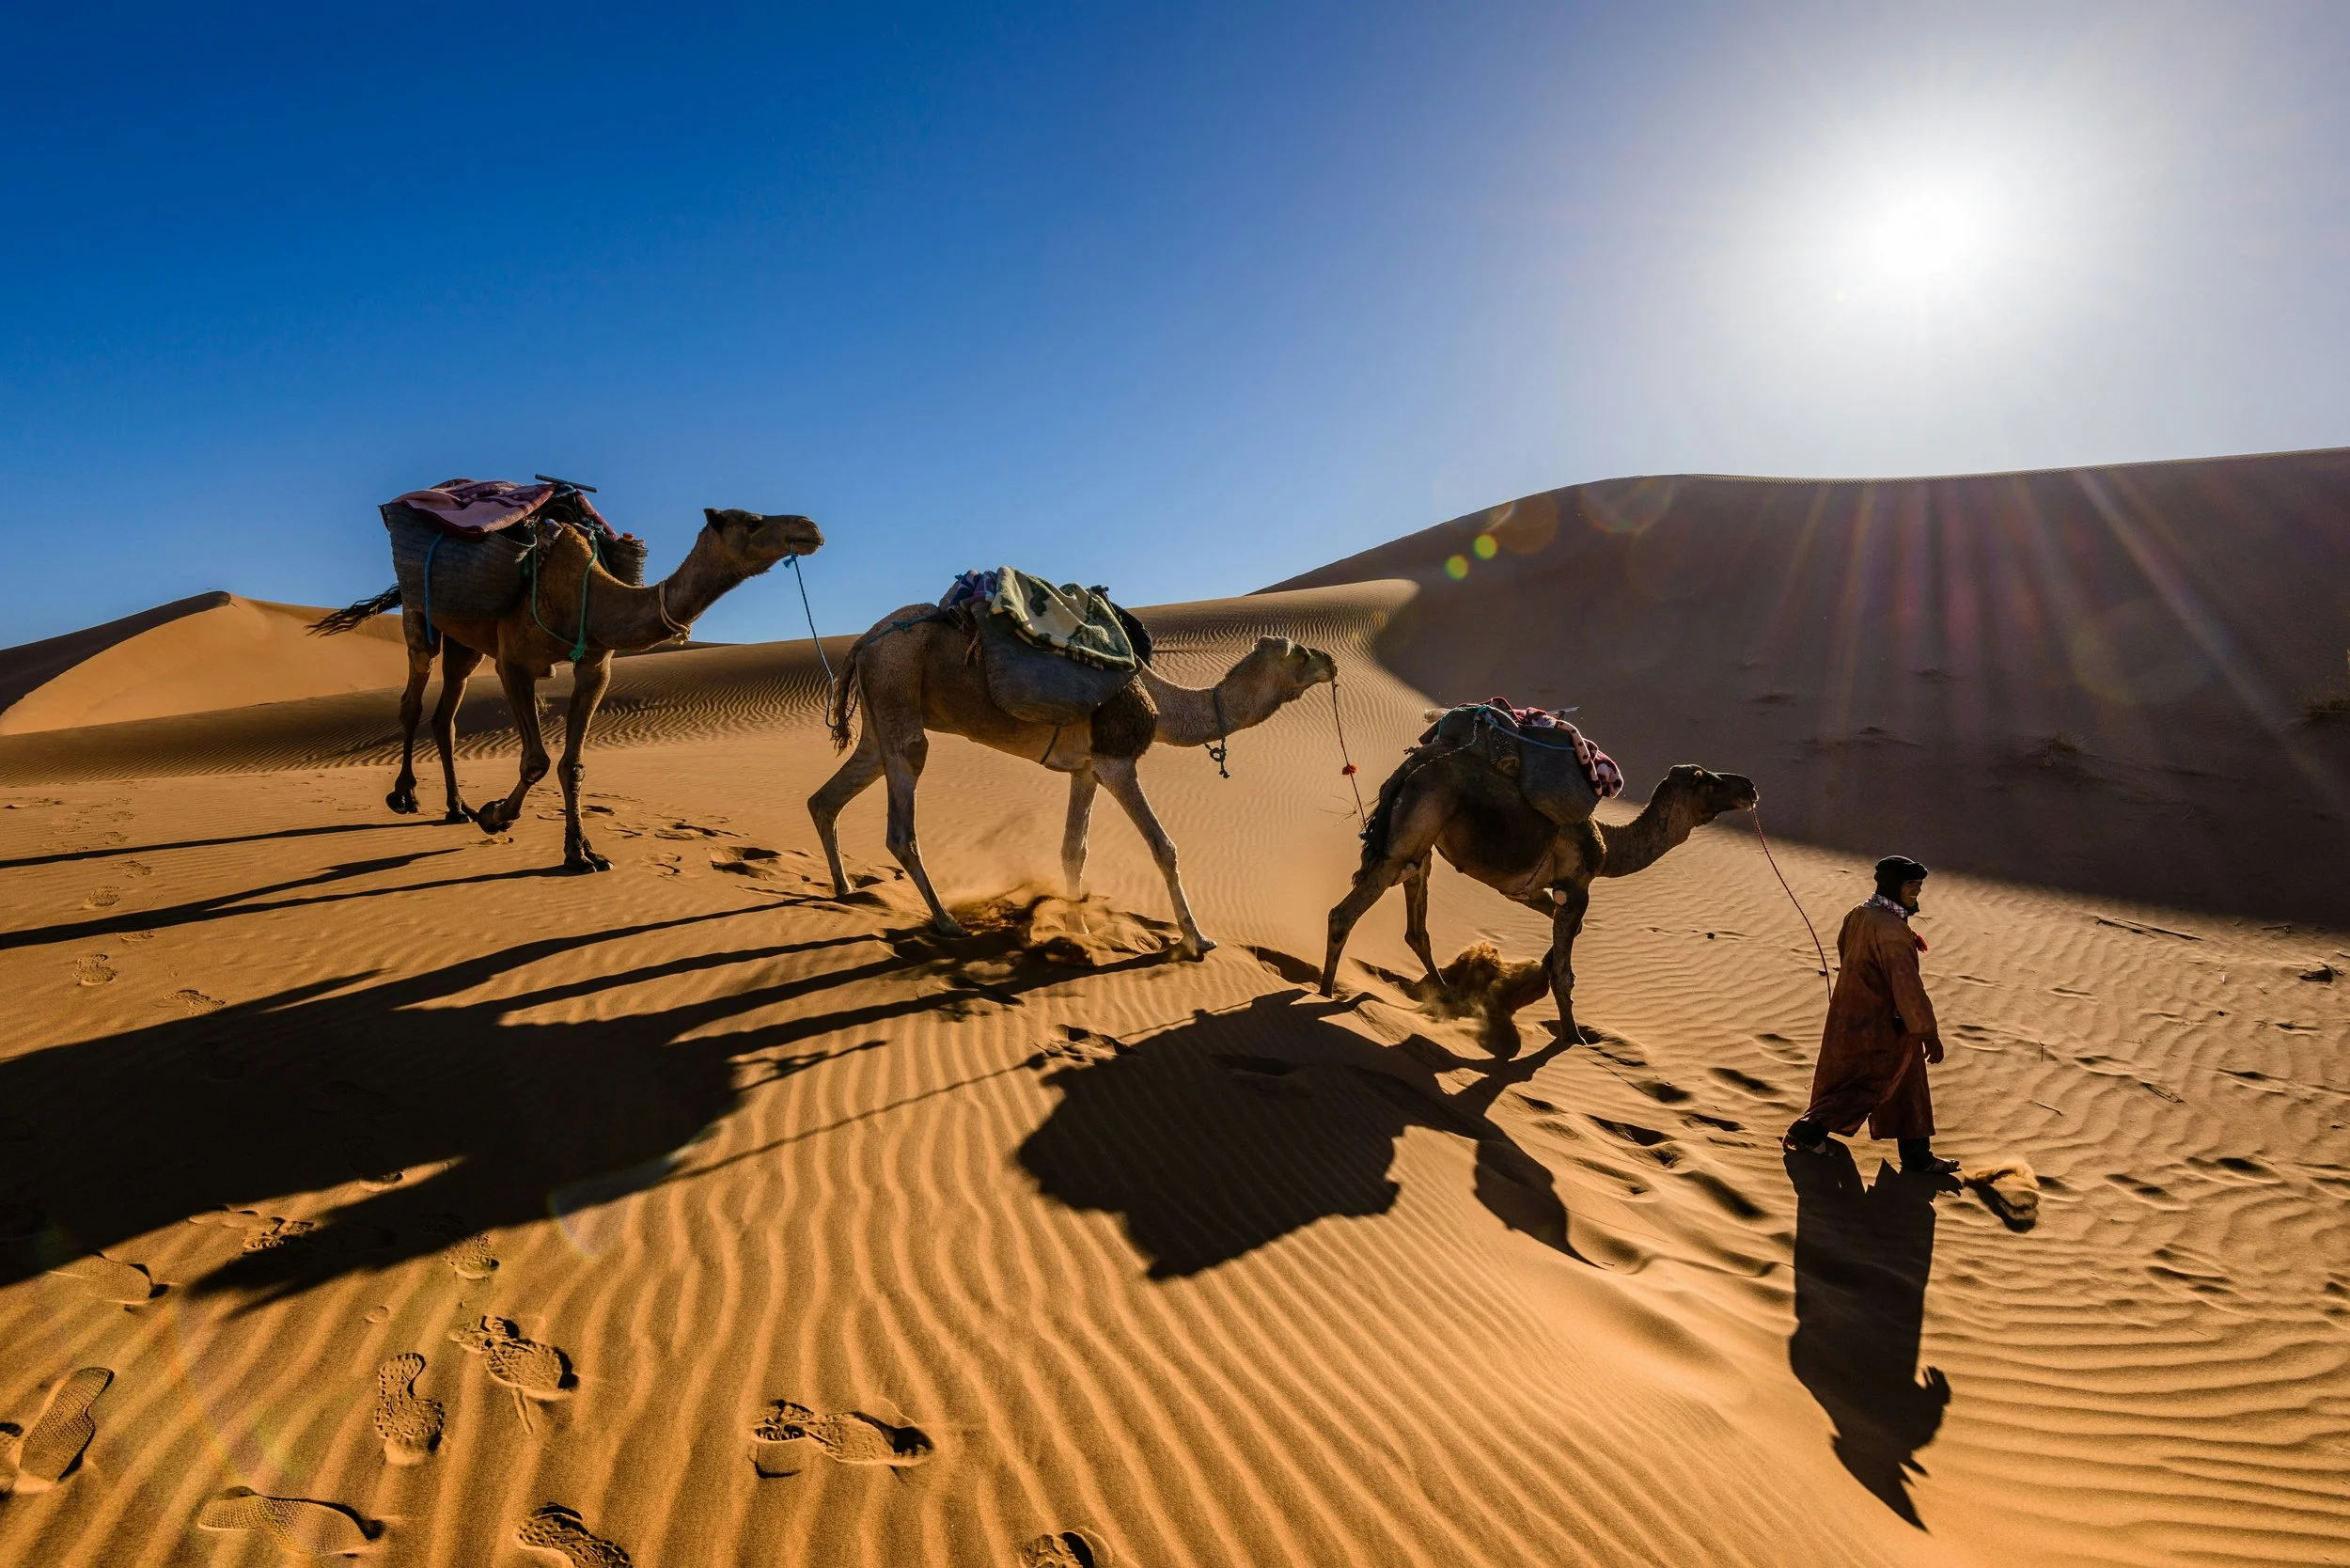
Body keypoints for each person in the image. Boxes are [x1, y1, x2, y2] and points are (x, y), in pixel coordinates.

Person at [1784, 855, 1959, 1179]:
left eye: (1919, 884)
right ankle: (1808, 1131)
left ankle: (1917, 1157)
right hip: (1883, 1024)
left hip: (1857, 1014)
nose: (1917, 891)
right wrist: (1927, 1032)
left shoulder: (1862, 913)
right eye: (1911, 884)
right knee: (1870, 1083)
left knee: (1908, 1085)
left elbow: (1845, 951)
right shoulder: (1890, 930)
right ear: (1893, 886)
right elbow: (1906, 984)